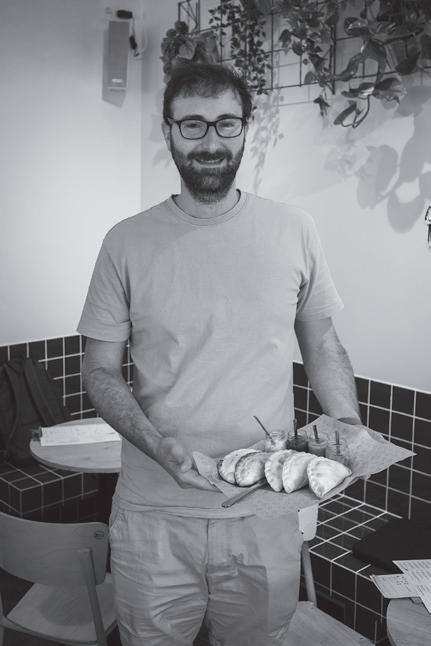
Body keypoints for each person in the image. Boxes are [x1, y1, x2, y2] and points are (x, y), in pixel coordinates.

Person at [78, 62, 361, 646]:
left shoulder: (294, 229)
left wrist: (346, 421)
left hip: (264, 511)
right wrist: (154, 443)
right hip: (154, 515)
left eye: (226, 124)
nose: (211, 142)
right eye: (193, 125)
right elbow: (99, 369)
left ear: (245, 129)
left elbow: (322, 341)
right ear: (168, 131)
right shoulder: (124, 242)